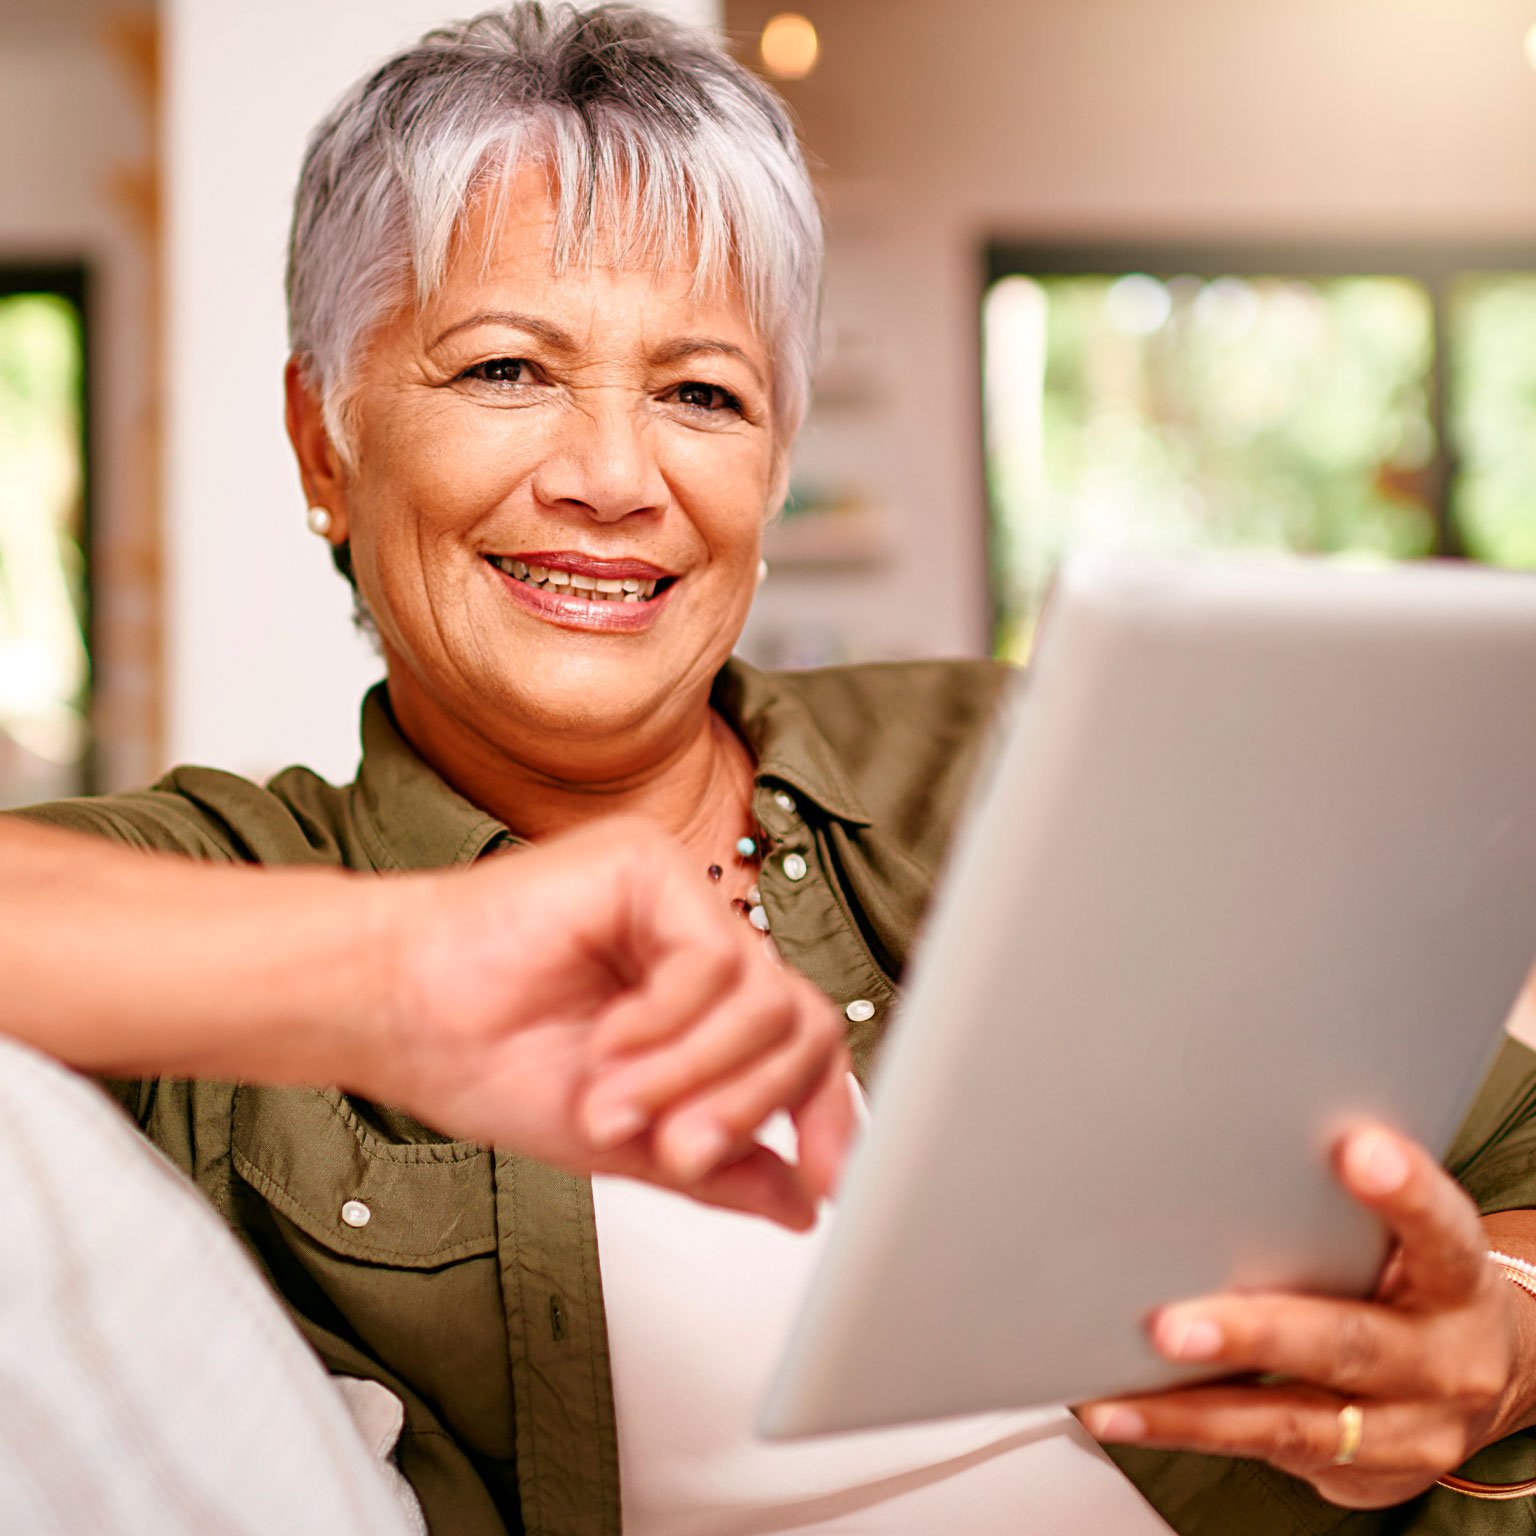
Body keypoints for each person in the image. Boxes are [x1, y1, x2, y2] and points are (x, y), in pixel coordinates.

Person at [7, 4, 1536, 1532]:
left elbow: (1504, 1166)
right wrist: (396, 969)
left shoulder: (1008, 763)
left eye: (702, 394)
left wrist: (1496, 1346)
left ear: (775, 460)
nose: (612, 479)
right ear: (323, 443)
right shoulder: (232, 886)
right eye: (503, 372)